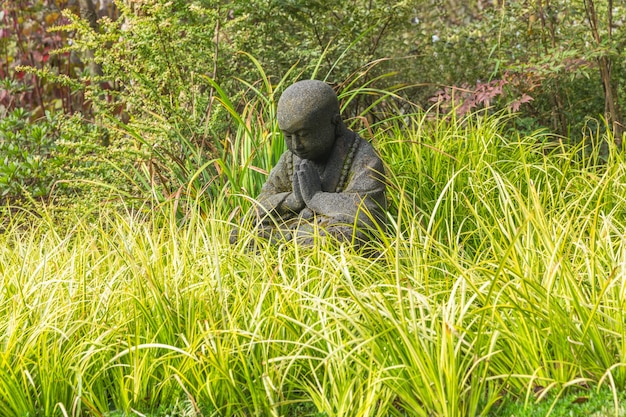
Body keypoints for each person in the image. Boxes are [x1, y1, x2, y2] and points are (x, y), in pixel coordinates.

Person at [237, 79, 387, 247]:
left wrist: (316, 197)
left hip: (327, 232)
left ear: (335, 123)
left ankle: (286, 247)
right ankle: (286, 247)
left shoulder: (363, 158)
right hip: (294, 230)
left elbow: (370, 214)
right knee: (239, 232)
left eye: (304, 134)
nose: (296, 145)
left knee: (349, 234)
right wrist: (292, 200)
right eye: (288, 136)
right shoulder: (290, 160)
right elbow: (258, 207)